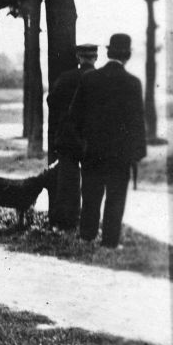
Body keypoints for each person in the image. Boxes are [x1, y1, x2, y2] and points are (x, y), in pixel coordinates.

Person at [68, 34, 146, 249]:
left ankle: (87, 236)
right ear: (128, 55)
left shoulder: (89, 79)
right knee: (116, 198)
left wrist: (83, 143)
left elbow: (74, 116)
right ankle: (110, 242)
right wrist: (137, 153)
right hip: (121, 155)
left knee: (91, 196)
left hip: (93, 152)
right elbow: (137, 123)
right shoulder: (133, 83)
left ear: (109, 52)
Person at [46, 43, 98, 230]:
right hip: (93, 138)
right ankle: (89, 223)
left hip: (69, 136)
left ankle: (67, 223)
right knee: (92, 182)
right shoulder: (101, 79)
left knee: (68, 182)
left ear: (78, 58)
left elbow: (51, 101)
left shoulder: (66, 77)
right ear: (96, 58)